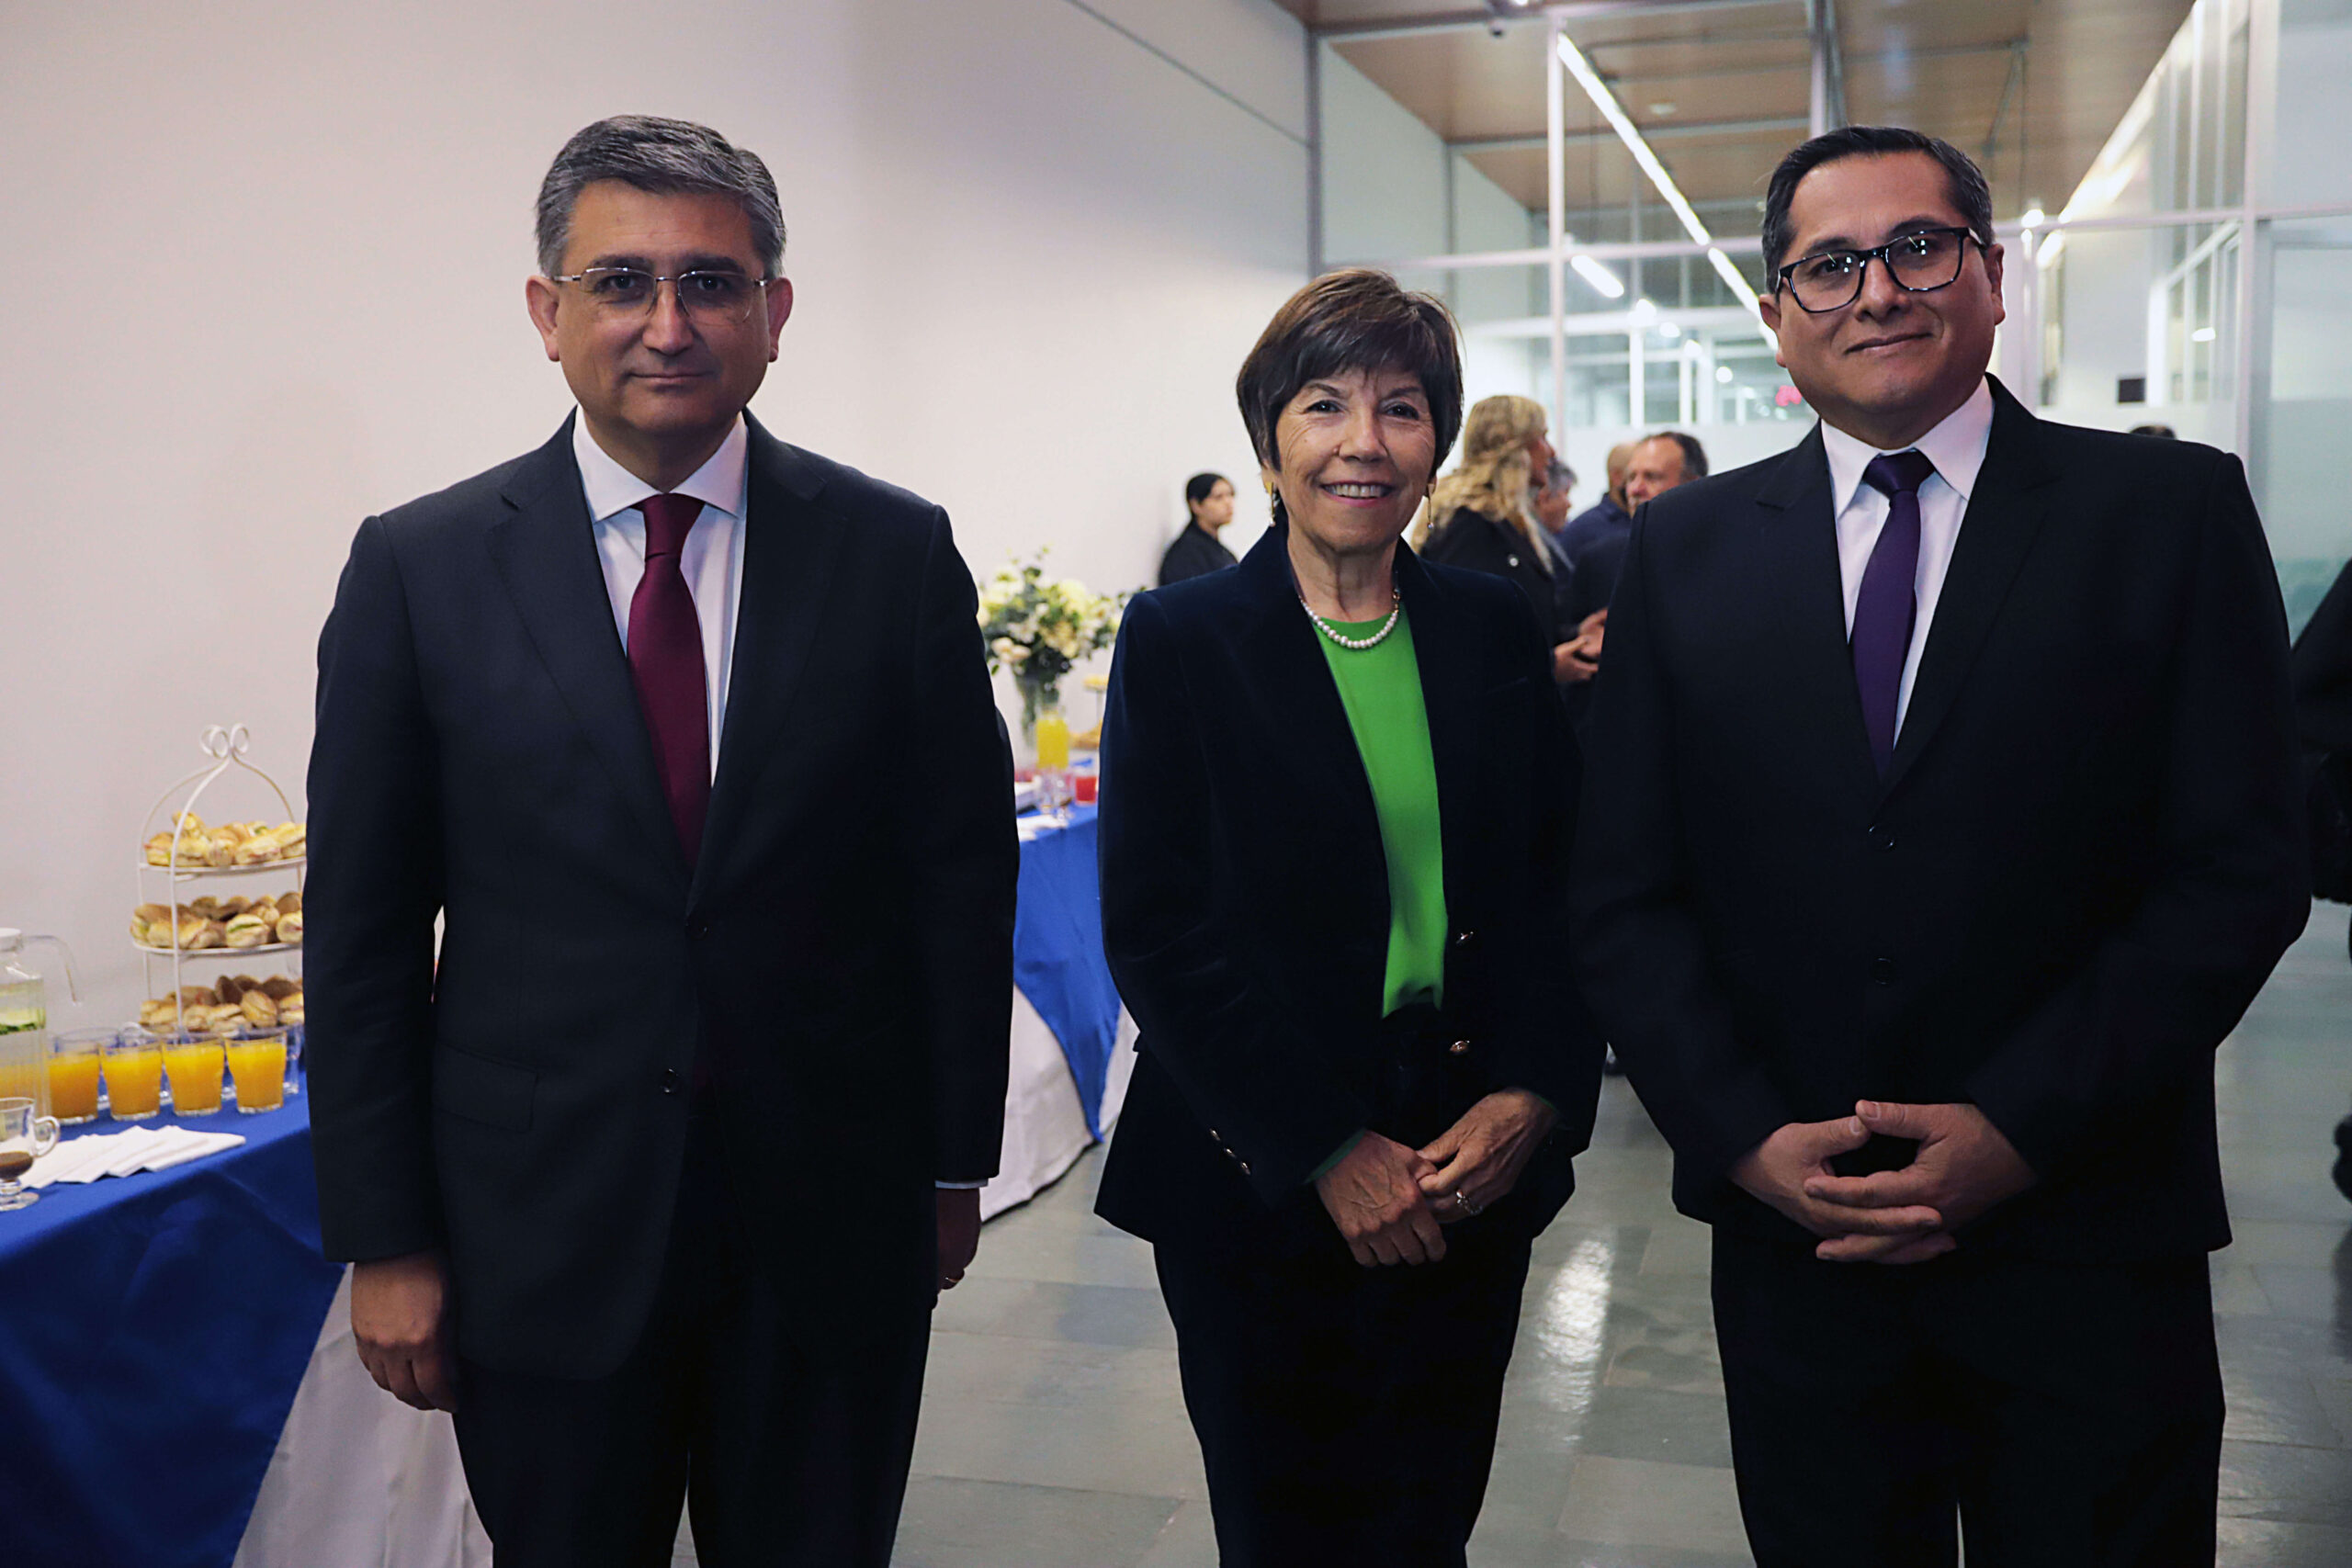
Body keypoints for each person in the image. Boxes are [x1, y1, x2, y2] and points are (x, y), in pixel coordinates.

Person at [1570, 125, 2308, 1568]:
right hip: (1804, 1243)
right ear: (1776, 309)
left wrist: (2022, 1126)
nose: (1877, 290)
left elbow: (2236, 867)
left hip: (2088, 1231)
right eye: (1828, 263)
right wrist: (1743, 1138)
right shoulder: (1688, 550)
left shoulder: (2167, 514)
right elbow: (1623, 888)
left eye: (1918, 246)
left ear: (1990, 274)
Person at [306, 115, 1017, 1568]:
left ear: (775, 315)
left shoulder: (893, 552)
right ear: (547, 314)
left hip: (831, 1227)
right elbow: (363, 929)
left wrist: (955, 1167)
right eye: (622, 280)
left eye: (713, 282)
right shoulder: (420, 568)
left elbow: (957, 878)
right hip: (542, 1236)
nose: (668, 323)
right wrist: (385, 1236)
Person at [1095, 268, 1603, 1567]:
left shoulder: (1490, 624)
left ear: (1438, 441)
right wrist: (1325, 1147)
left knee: (1429, 1516)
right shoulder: (1184, 635)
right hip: (1260, 1166)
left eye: (1402, 407)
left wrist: (1537, 1087)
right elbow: (1157, 927)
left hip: (1466, 1150)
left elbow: (1561, 881)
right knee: (1287, 1526)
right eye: (1323, 405)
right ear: (1270, 440)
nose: (1363, 441)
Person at [1418, 394, 1584, 685]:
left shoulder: (1507, 520)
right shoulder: (1468, 524)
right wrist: (1549, 665)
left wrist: (1577, 635)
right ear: (1515, 445)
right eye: (1542, 438)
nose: (1551, 451)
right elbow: (1468, 641)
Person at [1557, 429, 1707, 723]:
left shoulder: (1725, 556)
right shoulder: (1598, 558)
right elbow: (1566, 633)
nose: (1634, 489)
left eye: (1651, 477)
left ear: (1693, 484)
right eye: (1630, 478)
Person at [1159, 471, 1239, 585]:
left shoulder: (1221, 551)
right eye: (1218, 497)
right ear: (1195, 505)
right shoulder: (1185, 554)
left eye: (1230, 495)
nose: (1228, 503)